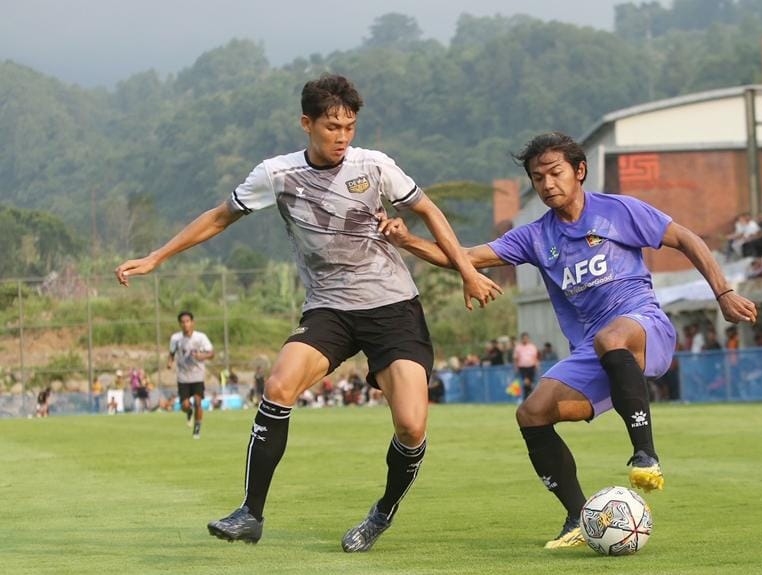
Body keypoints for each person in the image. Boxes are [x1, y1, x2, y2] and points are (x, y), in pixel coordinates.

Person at [113, 74, 498, 551]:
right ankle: (250, 513)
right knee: (278, 386)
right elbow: (218, 216)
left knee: (412, 426)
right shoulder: (276, 175)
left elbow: (430, 211)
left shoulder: (375, 166)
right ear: (306, 123)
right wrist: (157, 257)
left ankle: (382, 513)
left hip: (392, 308)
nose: (342, 137)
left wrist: (465, 270)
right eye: (332, 126)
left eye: (350, 127)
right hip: (328, 309)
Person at [380, 132, 757, 548]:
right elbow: (465, 257)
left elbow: (686, 238)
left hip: (644, 327)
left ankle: (645, 454)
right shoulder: (535, 236)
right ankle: (577, 515)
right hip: (594, 351)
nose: (547, 184)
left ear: (579, 171)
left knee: (612, 337)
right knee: (532, 414)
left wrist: (723, 292)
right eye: (538, 178)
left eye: (555, 173)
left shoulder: (619, 211)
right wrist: (407, 241)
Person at [168, 311, 214, 438]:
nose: (185, 324)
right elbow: (171, 353)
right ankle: (189, 412)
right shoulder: (175, 338)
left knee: (198, 402)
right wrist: (169, 362)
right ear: (180, 324)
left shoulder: (201, 337)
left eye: (188, 321)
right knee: (184, 405)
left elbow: (211, 353)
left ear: (192, 323)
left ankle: (197, 428)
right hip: (183, 376)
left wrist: (201, 356)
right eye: (183, 322)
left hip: (197, 375)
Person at [513, 332, 541, 399]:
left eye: (526, 338)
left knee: (530, 383)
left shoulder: (532, 347)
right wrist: (515, 367)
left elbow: (536, 357)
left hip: (531, 367)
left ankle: (527, 397)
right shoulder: (518, 347)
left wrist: (537, 366)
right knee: (526, 382)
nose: (525, 340)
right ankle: (529, 395)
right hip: (522, 368)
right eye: (524, 338)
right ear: (521, 339)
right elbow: (516, 358)